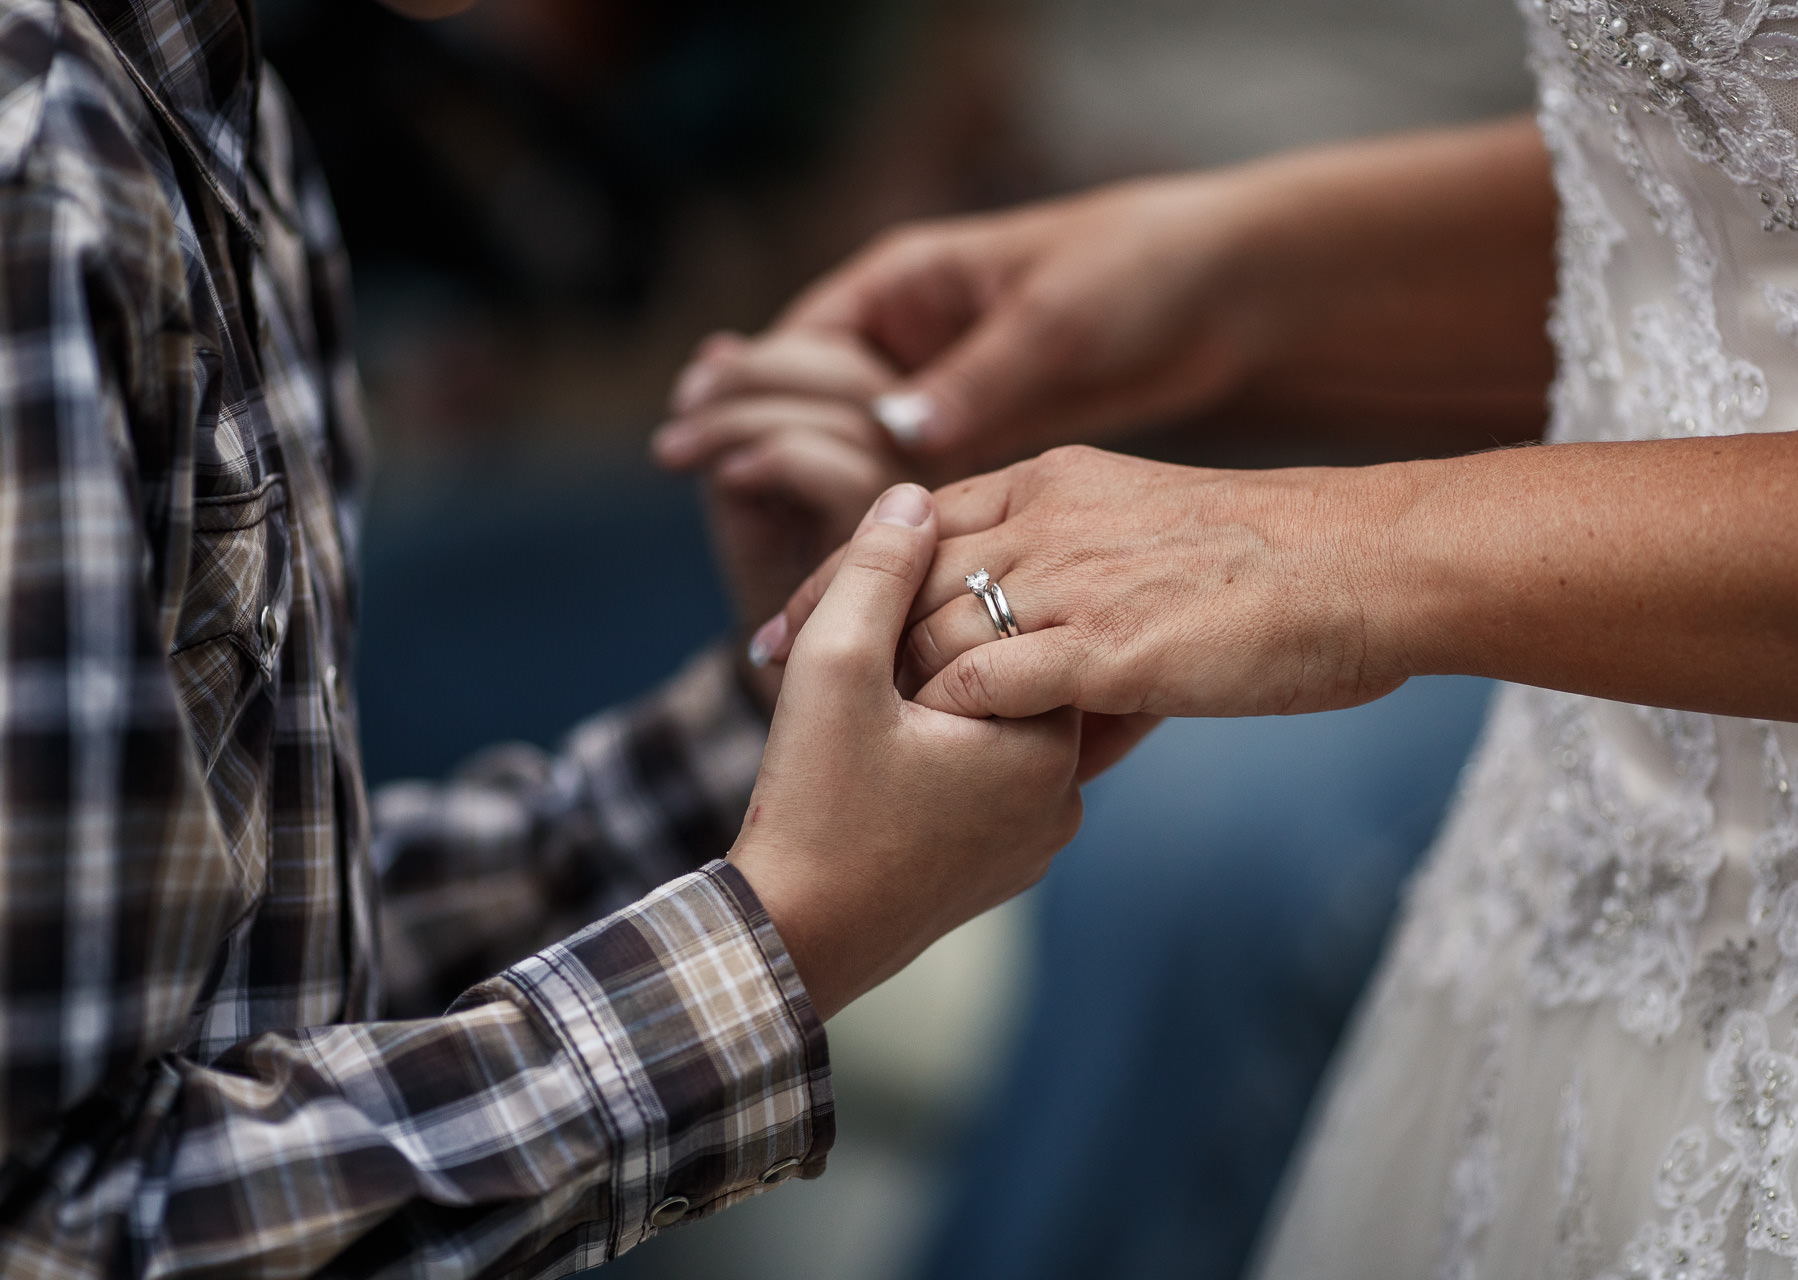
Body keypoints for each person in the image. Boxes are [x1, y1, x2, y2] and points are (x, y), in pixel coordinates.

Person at [672, 14, 1798, 1274]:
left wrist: (1350, 551)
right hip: (1567, 859)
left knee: (1191, 838)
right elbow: (1753, 188)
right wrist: (1227, 271)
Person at [0, 1, 1089, 1275]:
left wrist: (771, 734)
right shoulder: (41, 175)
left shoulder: (207, 106)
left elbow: (230, 980)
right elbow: (54, 1228)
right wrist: (783, 934)